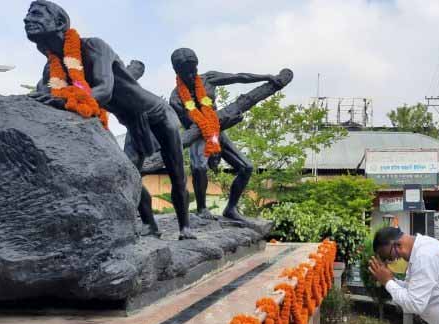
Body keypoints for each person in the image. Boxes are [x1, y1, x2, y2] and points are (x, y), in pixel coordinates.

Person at [24, 0, 195, 239]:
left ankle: (185, 227)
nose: (27, 19)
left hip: (157, 114)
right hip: (132, 122)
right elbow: (45, 93)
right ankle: (150, 224)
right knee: (129, 174)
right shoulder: (54, 67)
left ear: (60, 22)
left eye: (36, 14)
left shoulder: (94, 47)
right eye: (27, 14)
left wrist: (64, 102)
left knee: (176, 171)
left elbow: (104, 90)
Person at [169, 48, 287, 221]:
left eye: (194, 69)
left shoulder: (208, 79)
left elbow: (238, 77)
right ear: (177, 72)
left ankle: (231, 209)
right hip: (197, 133)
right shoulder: (176, 98)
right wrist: (211, 147)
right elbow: (189, 124)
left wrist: (267, 77)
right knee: (199, 167)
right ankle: (202, 209)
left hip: (217, 127)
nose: (193, 74)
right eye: (187, 72)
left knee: (246, 167)